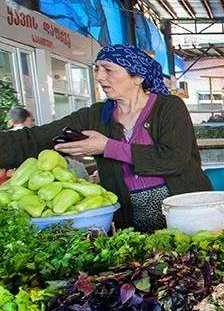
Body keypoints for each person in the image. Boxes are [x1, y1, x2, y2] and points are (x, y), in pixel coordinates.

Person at [0, 44, 211, 231]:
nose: (100, 77)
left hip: (184, 211)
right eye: (97, 69)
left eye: (108, 70)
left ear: (137, 77)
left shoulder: (169, 107)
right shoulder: (96, 115)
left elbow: (174, 159)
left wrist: (107, 147)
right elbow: (36, 139)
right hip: (129, 218)